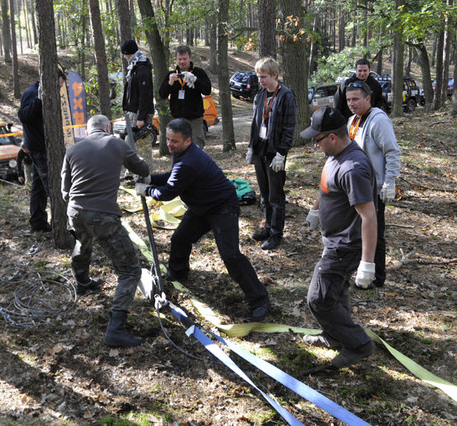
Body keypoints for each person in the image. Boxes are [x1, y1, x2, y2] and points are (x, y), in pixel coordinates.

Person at [135, 119, 271, 322]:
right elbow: (172, 176)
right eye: (168, 140)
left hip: (222, 207)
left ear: (188, 140)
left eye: (175, 141)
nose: (170, 145)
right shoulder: (182, 154)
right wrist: (151, 179)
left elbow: (169, 192)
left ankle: (260, 300)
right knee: (180, 238)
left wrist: (147, 190)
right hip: (202, 207)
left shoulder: (189, 161)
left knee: (231, 256)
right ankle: (178, 271)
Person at [61, 115, 150, 347]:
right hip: (103, 215)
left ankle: (82, 282)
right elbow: (142, 168)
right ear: (108, 128)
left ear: (88, 131)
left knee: (83, 243)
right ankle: (116, 328)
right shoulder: (117, 144)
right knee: (130, 270)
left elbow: (64, 188)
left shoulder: (73, 150)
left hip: (75, 211)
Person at [301, 107, 377, 368]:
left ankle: (359, 345)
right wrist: (315, 210)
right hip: (332, 239)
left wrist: (367, 263)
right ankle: (335, 336)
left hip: (346, 245)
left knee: (319, 299)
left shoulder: (353, 167)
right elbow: (326, 186)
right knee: (335, 293)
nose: (315, 144)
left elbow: (368, 216)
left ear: (332, 137)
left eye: (317, 139)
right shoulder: (334, 156)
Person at [344, 81, 400, 289]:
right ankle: (360, 270)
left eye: (355, 99)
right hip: (355, 187)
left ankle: (376, 277)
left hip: (374, 188)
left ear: (368, 98)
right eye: (348, 99)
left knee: (375, 231)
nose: (351, 103)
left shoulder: (378, 121)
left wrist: (390, 182)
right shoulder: (352, 120)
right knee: (356, 231)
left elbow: (392, 152)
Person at [245, 57, 297, 250]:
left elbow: (289, 127)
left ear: (274, 75)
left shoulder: (286, 96)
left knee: (276, 197)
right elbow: (256, 123)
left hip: (276, 153)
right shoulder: (259, 96)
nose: (260, 80)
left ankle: (276, 234)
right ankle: (267, 227)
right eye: (258, 77)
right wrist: (251, 147)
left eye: (264, 77)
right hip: (260, 150)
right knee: (265, 195)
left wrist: (282, 153)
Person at [17, 70, 67, 232]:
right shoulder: (32, 94)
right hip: (39, 148)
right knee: (51, 185)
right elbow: (24, 116)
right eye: (59, 86)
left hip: (44, 145)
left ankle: (38, 222)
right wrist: (39, 101)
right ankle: (61, 224)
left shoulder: (45, 94)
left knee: (38, 187)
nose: (59, 90)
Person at [158, 45, 212, 148]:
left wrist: (196, 80)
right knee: (178, 148)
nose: (182, 62)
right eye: (180, 59)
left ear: (190, 58)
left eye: (184, 59)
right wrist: (169, 83)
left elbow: (207, 91)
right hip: (177, 119)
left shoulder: (199, 72)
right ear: (176, 59)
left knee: (197, 148)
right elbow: (162, 95)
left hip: (195, 119)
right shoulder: (172, 74)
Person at [120, 39, 154, 171]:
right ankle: (132, 172)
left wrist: (141, 118)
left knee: (143, 146)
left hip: (141, 113)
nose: (124, 57)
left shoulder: (142, 68)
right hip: (132, 112)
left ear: (128, 53)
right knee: (130, 144)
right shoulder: (134, 67)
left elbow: (145, 95)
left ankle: (147, 176)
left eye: (124, 54)